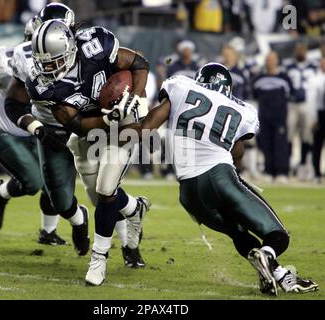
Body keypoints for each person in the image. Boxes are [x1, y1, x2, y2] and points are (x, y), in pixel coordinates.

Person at [125, 62, 319, 295]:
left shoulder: (181, 86)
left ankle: (280, 275)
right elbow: (237, 151)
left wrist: (115, 130)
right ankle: (270, 259)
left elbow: (148, 126)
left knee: (237, 232)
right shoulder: (241, 109)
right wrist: (232, 173)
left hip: (188, 193)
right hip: (218, 178)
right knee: (277, 237)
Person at [5, 19, 151, 285]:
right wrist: (107, 119)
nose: (47, 68)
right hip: (90, 129)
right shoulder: (41, 84)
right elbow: (74, 124)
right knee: (99, 199)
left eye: (54, 60)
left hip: (123, 124)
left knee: (107, 191)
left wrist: (135, 98)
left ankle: (99, 259)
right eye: (43, 62)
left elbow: (139, 64)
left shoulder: (96, 45)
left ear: (71, 49)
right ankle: (134, 208)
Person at [0, 16, 70, 245]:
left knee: (54, 178)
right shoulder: (7, 59)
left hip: (36, 129)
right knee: (33, 181)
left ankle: (48, 232)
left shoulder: (66, 66)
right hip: (4, 130)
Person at [253, 51, 292, 183]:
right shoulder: (259, 79)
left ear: (276, 61)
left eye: (272, 59)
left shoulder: (284, 78)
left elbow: (290, 94)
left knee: (280, 144)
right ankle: (269, 170)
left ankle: (282, 172)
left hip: (279, 117)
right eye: (267, 59)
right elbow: (254, 95)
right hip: (264, 117)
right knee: (266, 144)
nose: (269, 62)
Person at [285, 41, 317, 180]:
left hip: (306, 105)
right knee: (289, 136)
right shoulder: (289, 67)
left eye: (303, 50)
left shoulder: (313, 67)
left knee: (306, 136)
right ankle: (289, 163)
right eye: (299, 50)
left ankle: (303, 165)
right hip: (292, 105)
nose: (301, 52)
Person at [307, 56, 325, 183]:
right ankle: (316, 173)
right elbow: (312, 100)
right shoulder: (315, 79)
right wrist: (313, 117)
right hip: (321, 114)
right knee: (317, 145)